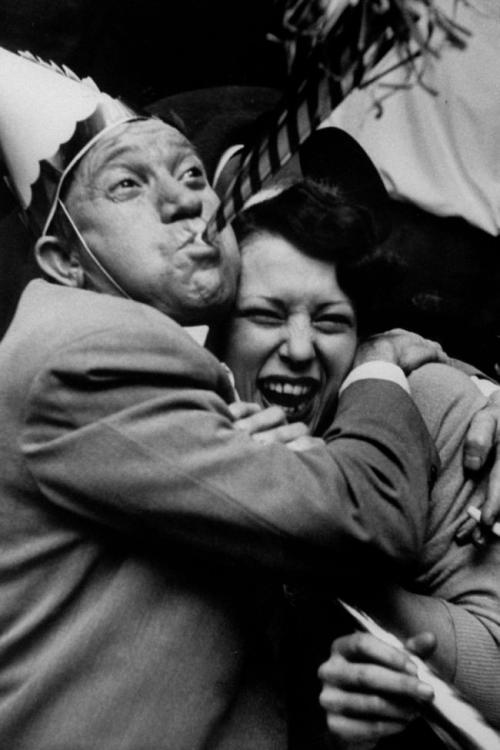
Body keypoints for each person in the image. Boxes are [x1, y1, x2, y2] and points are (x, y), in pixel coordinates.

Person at [0, 46, 453, 750]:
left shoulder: (177, 384)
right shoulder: (91, 354)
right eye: (127, 185)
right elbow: (366, 518)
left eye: (191, 174)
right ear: (65, 262)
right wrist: (380, 366)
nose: (187, 200)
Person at [209, 179, 500, 743]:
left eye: (330, 321)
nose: (300, 349)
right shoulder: (176, 432)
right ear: (217, 334)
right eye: (265, 316)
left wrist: (318, 527)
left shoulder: (435, 407)